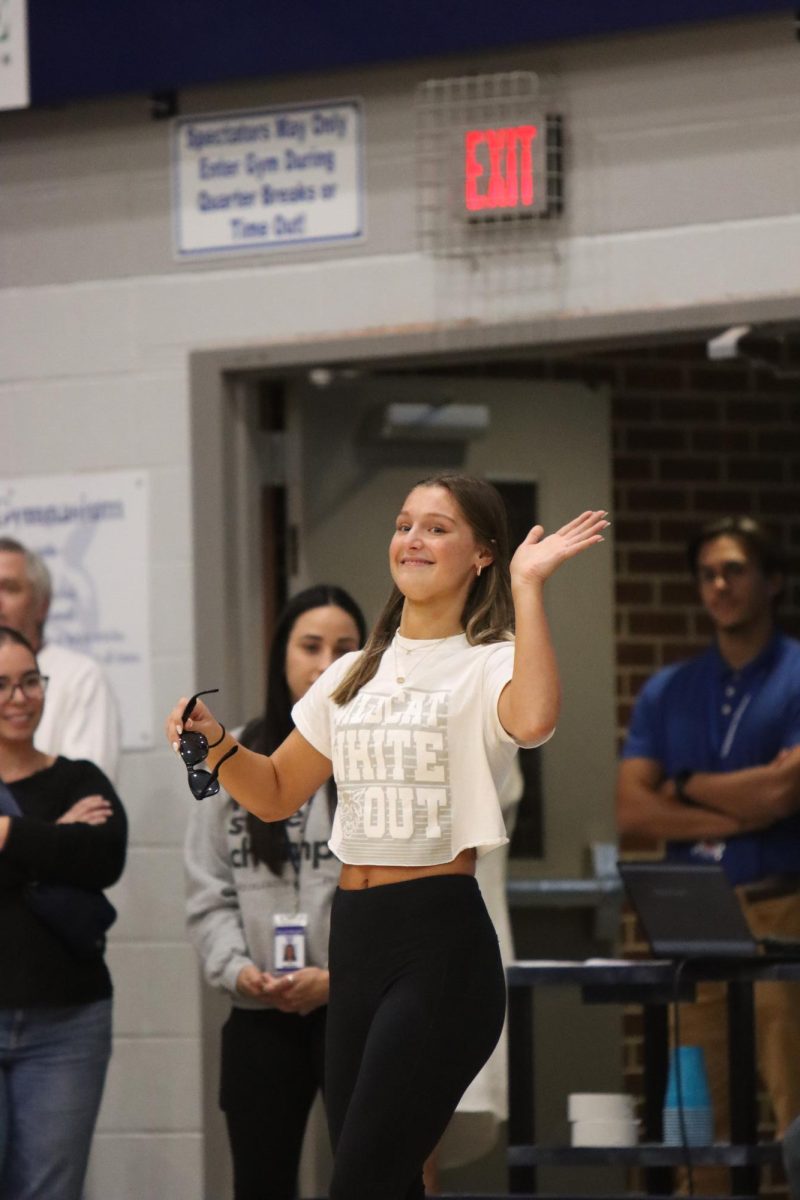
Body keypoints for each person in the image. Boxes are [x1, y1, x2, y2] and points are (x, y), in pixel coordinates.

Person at [167, 473, 607, 1200]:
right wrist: (216, 745)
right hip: (358, 940)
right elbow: (274, 792)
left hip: (440, 944)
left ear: (483, 555)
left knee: (363, 1181)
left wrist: (530, 589)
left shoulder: (492, 658)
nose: (413, 539)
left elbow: (533, 721)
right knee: (389, 1181)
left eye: (438, 527)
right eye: (405, 524)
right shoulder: (350, 672)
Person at [617, 515, 800, 1189]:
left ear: (772, 580)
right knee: (699, 1123)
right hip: (696, 917)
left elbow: (786, 793)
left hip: (783, 907)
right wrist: (741, 804)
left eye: (734, 571)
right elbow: (632, 808)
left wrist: (687, 785)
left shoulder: (797, 673)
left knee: (794, 1109)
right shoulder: (670, 689)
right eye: (707, 574)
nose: (718, 585)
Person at [184, 584, 366, 1200]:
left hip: (358, 1014)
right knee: (260, 1184)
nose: (325, 664)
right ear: (280, 656)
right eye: (309, 646)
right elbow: (208, 892)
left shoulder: (376, 757)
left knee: (377, 1178)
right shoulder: (232, 755)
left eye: (345, 648)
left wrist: (341, 978)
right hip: (259, 1015)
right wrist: (238, 972)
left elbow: (403, 902)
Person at [0, 624, 127, 1200]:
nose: (19, 698)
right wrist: (55, 840)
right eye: (1, 685)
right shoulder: (67, 801)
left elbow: (104, 857)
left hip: (68, 1022)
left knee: (50, 1190)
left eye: (30, 681)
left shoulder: (80, 778)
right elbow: (72, 854)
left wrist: (9, 834)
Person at [0, 537, 121, 782]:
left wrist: (10, 822)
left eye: (9, 588)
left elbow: (87, 795)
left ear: (41, 605)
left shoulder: (80, 677)